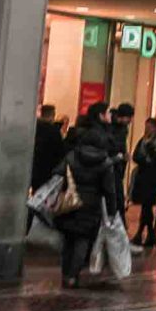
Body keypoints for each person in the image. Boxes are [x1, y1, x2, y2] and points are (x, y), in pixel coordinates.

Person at [57, 123, 120, 289]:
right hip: (91, 205)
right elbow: (109, 191)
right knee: (83, 240)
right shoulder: (105, 163)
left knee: (68, 239)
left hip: (69, 202)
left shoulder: (72, 156)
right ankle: (73, 275)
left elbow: (57, 173)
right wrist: (112, 211)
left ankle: (65, 274)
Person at [129, 118, 156, 250]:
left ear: (155, 127)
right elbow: (135, 155)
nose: (147, 129)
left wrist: (151, 152)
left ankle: (142, 234)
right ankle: (149, 235)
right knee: (145, 206)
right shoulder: (143, 140)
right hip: (143, 177)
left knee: (147, 204)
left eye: (149, 127)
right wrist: (144, 159)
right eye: (146, 126)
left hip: (155, 178)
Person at [31, 105, 66, 193]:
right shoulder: (54, 132)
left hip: (34, 168)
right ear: (52, 115)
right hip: (48, 170)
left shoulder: (34, 128)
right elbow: (60, 152)